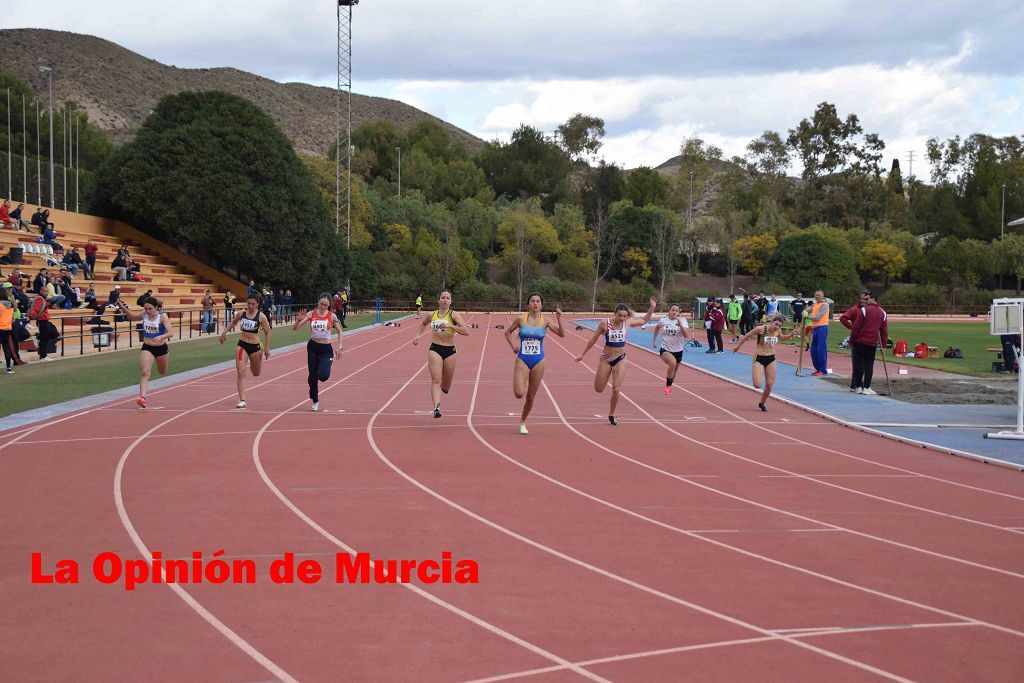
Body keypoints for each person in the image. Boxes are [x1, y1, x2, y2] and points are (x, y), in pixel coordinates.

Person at [575, 298, 657, 425]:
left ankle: (612, 414)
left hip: (621, 358)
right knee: (599, 389)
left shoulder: (627, 322)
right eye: (620, 315)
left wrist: (652, 307)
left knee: (616, 389)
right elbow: (593, 339)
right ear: (615, 314)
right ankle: (608, 402)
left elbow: (644, 320)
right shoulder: (604, 323)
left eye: (624, 316)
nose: (622, 318)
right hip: (606, 359)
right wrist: (582, 354)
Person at [504, 293, 564, 434]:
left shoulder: (546, 321)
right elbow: (507, 332)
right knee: (519, 393)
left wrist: (559, 319)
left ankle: (523, 422)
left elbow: (561, 334)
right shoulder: (521, 319)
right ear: (528, 304)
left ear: (541, 305)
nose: (535, 304)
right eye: (532, 301)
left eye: (538, 301)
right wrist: (513, 346)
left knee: (531, 396)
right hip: (523, 358)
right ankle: (521, 379)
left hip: (539, 360)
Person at [412, 290, 470, 418]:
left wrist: (450, 326)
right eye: (443, 297)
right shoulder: (431, 314)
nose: (445, 300)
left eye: (447, 298)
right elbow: (422, 324)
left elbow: (466, 331)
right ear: (439, 300)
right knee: (436, 379)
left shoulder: (454, 315)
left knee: (446, 386)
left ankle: (444, 388)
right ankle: (436, 407)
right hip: (435, 349)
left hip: (450, 351)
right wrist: (417, 336)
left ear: (450, 301)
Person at [733, 313, 800, 411]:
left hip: (771, 358)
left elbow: (782, 338)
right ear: (772, 322)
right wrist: (738, 346)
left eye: (779, 326)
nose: (777, 327)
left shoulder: (778, 331)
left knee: (769, 384)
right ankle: (758, 374)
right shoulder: (761, 329)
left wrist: (791, 334)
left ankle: (762, 402)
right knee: (757, 385)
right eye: (776, 324)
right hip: (759, 358)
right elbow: (746, 335)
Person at [115, 297, 173, 408]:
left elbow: (171, 332)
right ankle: (142, 398)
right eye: (146, 309)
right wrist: (123, 308)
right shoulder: (144, 314)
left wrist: (161, 336)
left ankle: (143, 397)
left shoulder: (162, 316)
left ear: (156, 307)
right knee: (145, 372)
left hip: (161, 348)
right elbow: (132, 317)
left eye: (150, 309)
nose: (148, 311)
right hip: (147, 347)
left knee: (162, 371)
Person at [292, 294, 344, 412]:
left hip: (326, 349)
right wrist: (298, 320)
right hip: (313, 347)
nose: (323, 307)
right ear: (318, 303)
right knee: (313, 376)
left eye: (326, 305)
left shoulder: (332, 316)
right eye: (321, 304)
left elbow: (340, 332)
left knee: (323, 376)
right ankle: (315, 400)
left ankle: (326, 367)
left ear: (329, 305)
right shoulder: (311, 314)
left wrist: (340, 347)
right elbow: (296, 328)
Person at [220, 294, 272, 408]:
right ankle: (242, 400)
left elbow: (267, 332)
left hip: (256, 347)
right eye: (249, 303)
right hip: (242, 345)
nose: (251, 306)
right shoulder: (241, 314)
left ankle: (256, 363)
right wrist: (224, 332)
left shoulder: (261, 316)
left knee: (256, 373)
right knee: (240, 371)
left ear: (257, 304)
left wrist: (267, 348)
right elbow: (233, 323)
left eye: (253, 304)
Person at [849, 291, 888, 395]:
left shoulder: (864, 310)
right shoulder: (883, 312)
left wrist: (851, 341)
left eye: (867, 299)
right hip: (872, 343)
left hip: (860, 342)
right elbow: (884, 331)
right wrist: (883, 345)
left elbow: (856, 327)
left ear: (873, 298)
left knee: (858, 364)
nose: (865, 301)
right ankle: (866, 387)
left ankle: (858, 386)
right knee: (869, 365)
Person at [651, 303, 692, 395]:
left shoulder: (683, 321)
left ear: (679, 312)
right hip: (665, 349)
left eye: (677, 311)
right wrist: (654, 341)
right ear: (669, 311)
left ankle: (669, 385)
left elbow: (686, 336)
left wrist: (680, 324)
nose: (674, 312)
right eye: (673, 310)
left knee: (674, 372)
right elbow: (657, 328)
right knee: (672, 363)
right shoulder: (663, 320)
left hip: (678, 350)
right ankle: (668, 386)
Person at [808, 290, 831, 376]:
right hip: (815, 328)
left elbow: (817, 318)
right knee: (813, 349)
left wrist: (808, 316)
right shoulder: (815, 304)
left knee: (820, 349)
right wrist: (805, 311)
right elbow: (808, 309)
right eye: (816, 295)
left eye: (819, 295)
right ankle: (818, 368)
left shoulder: (825, 305)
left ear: (822, 296)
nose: (817, 296)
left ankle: (823, 369)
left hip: (822, 327)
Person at [0, 287, 16, 373]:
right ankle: (9, 367)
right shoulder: (11, 305)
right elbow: (13, 319)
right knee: (6, 347)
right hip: (8, 328)